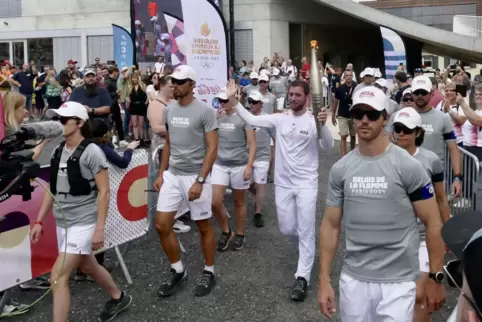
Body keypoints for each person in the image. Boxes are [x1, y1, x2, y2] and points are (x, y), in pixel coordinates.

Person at [318, 86, 446, 321]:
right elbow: (330, 225)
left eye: (372, 114)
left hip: (398, 283)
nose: (364, 120)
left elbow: (432, 221)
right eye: (359, 114)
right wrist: (324, 280)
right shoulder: (341, 169)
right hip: (354, 280)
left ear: (385, 118)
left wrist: (435, 276)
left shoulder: (408, 166)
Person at [228, 78, 334, 301]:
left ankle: (302, 277)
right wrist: (233, 100)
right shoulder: (279, 119)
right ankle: (308, 245)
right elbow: (250, 118)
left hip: (306, 184)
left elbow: (327, 146)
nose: (293, 98)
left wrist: (323, 126)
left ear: (307, 97)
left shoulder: (314, 119)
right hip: (283, 184)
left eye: (298, 95)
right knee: (287, 229)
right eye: (291, 94)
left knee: (305, 230)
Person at [30, 101, 131, 322]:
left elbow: (104, 192)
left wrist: (99, 230)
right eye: (57, 119)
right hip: (64, 221)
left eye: (64, 120)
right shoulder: (58, 150)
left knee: (57, 277)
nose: (59, 124)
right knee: (87, 264)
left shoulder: (92, 151)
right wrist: (38, 221)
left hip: (83, 222)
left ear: (79, 123)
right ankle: (118, 296)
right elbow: (52, 189)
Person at [153, 65, 218, 297]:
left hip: (196, 175)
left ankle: (209, 271)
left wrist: (200, 180)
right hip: (173, 174)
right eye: (173, 82)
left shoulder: (205, 111)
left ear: (192, 84)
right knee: (161, 224)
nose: (175, 86)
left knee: (203, 226)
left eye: (180, 82)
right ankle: (178, 270)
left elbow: (212, 149)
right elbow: (168, 143)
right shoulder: (169, 110)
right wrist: (161, 173)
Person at [392, 107, 451, 321]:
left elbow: (441, 198)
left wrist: (448, 230)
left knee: (419, 295)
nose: (400, 134)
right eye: (397, 129)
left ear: (418, 132)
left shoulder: (431, 160)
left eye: (406, 130)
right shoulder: (385, 157)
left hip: (424, 237)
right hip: (396, 238)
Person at [387, 75, 462, 198]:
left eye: (423, 92)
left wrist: (458, 177)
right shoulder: (397, 116)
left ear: (431, 93)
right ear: (412, 93)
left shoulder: (442, 118)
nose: (420, 96)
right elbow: (387, 145)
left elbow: (453, 149)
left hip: (433, 178)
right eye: (417, 92)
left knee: (437, 213)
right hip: (402, 177)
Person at [212, 90, 256, 251]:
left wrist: (249, 166)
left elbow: (252, 143)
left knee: (239, 202)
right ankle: (226, 230)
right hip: (220, 163)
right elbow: (208, 139)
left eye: (225, 100)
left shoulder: (243, 117)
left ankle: (240, 234)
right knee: (215, 201)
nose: (222, 103)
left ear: (233, 99)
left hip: (239, 164)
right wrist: (214, 120)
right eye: (220, 100)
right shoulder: (216, 116)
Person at [245, 91, 276, 227]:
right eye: (249, 101)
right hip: (246, 158)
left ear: (261, 104)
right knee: (247, 185)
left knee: (260, 185)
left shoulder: (267, 119)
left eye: (254, 102)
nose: (251, 104)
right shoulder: (245, 118)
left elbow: (275, 139)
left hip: (263, 157)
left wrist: (274, 158)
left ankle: (258, 213)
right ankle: (259, 198)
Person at [332, 69, 357, 156]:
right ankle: (343, 157)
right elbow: (335, 102)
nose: (348, 77)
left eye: (350, 75)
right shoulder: (340, 89)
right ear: (344, 77)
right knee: (343, 136)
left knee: (353, 136)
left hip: (354, 116)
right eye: (346, 75)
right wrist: (333, 115)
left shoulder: (356, 87)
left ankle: (353, 154)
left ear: (352, 76)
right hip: (342, 115)